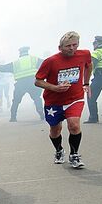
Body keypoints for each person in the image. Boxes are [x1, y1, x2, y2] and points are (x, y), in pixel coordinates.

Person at [34, 31, 92, 168]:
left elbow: (89, 66)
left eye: (74, 45)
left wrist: (86, 83)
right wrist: (54, 88)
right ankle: (59, 150)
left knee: (74, 125)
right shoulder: (50, 61)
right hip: (54, 102)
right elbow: (38, 81)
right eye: (68, 46)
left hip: (75, 98)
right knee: (55, 130)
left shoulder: (84, 54)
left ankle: (74, 155)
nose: (72, 48)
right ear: (60, 47)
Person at [0, 46, 44, 121]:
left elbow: (2, 68)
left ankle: (13, 118)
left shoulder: (16, 63)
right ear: (27, 51)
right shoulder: (34, 59)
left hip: (21, 84)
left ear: (20, 53)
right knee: (37, 98)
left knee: (16, 101)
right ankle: (42, 115)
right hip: (33, 83)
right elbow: (46, 63)